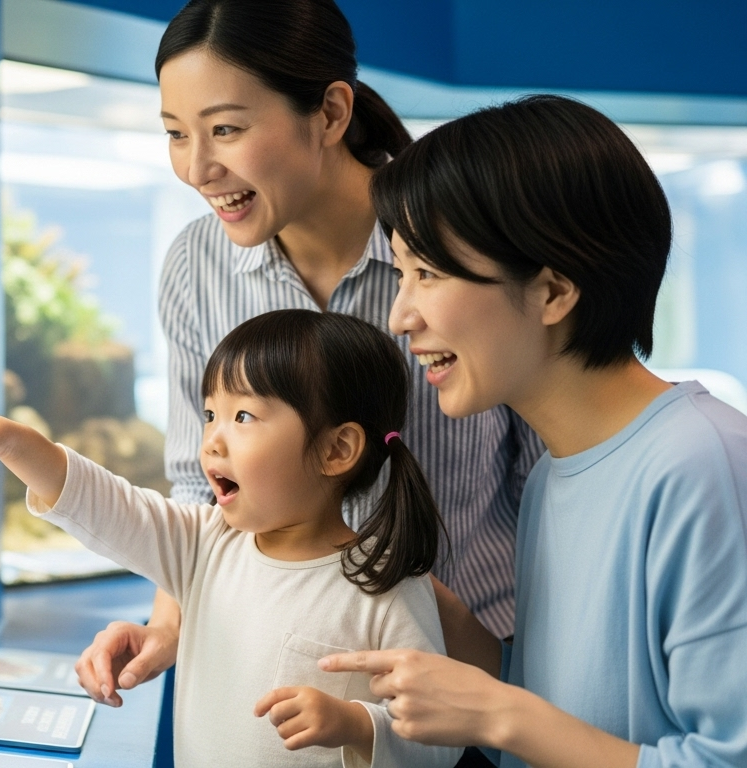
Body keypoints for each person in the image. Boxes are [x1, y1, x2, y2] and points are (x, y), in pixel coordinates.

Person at [76, 0, 541, 733]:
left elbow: (545, 472)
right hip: (268, 675)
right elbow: (202, 485)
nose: (197, 168)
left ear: (328, 113)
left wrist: (525, 678)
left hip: (463, 680)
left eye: (226, 128)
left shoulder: (460, 240)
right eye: (174, 134)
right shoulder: (198, 265)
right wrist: (168, 624)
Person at [315, 95, 747, 767]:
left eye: (427, 273)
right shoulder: (551, 474)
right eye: (402, 273)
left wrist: (497, 712)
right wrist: (455, 630)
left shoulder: (705, 468)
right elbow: (567, 725)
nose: (401, 316)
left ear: (552, 292)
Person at [0, 310, 462, 767]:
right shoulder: (206, 542)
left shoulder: (388, 586)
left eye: (243, 415)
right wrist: (19, 447)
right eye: (209, 414)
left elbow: (441, 739)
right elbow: (110, 507)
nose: (213, 440)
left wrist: (358, 724)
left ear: (336, 450)